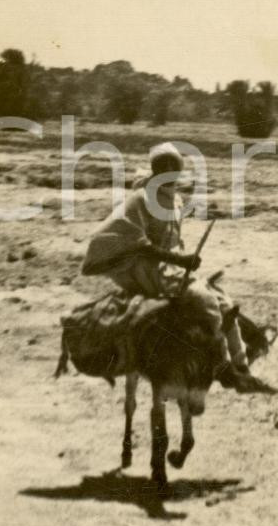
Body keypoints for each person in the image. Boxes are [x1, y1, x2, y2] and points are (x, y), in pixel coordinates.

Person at [81, 142, 253, 389]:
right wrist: (180, 260)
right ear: (154, 169)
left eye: (175, 164)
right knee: (205, 302)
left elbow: (175, 240)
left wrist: (185, 260)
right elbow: (138, 243)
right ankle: (221, 366)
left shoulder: (177, 201)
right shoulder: (141, 199)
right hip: (151, 268)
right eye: (163, 165)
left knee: (226, 304)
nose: (170, 169)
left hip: (173, 267)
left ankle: (242, 364)